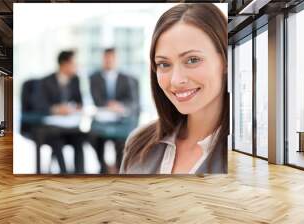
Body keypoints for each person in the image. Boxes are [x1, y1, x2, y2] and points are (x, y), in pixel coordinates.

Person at [120, 3, 228, 174]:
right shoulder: (137, 144)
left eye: (192, 60)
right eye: (164, 64)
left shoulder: (246, 154)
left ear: (225, 61)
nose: (176, 80)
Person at [90, 48, 139, 173]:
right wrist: (108, 105)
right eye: (106, 58)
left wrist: (120, 106)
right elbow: (96, 100)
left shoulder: (127, 78)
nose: (109, 61)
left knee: (121, 141)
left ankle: (119, 169)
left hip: (121, 118)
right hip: (103, 118)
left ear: (116, 60)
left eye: (112, 58)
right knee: (92, 136)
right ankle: (104, 168)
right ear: (103, 59)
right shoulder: (94, 77)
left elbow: (132, 101)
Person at [40, 50, 85, 173]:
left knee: (80, 139)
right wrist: (56, 109)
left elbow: (80, 103)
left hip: (70, 127)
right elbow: (39, 105)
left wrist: (74, 108)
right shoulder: (46, 81)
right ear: (65, 64)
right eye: (74, 63)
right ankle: (64, 174)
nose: (76, 66)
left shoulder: (75, 79)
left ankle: (80, 175)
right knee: (56, 140)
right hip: (52, 130)